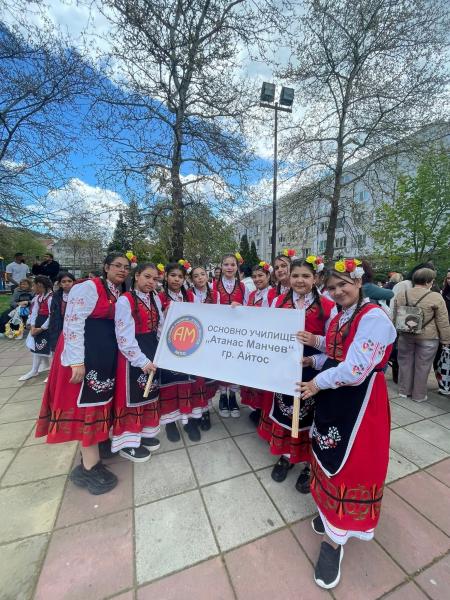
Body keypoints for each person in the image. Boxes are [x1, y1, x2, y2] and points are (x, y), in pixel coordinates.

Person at [298, 258, 396, 590]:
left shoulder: (374, 319)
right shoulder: (341, 315)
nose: (338, 291)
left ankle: (334, 542)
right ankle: (330, 517)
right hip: (335, 395)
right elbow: (336, 352)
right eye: (332, 287)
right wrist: (313, 353)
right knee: (326, 453)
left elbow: (355, 369)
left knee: (351, 464)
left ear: (358, 281)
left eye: (343, 284)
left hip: (360, 401)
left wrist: (316, 382)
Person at [35, 252, 131, 495]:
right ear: (106, 267)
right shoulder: (88, 287)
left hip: (101, 357)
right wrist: (76, 362)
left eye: (126, 267)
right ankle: (89, 467)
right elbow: (73, 323)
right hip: (83, 357)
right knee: (85, 408)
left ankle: (99, 443)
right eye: (117, 265)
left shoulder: (117, 291)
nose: (122, 270)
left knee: (99, 403)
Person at [258, 258, 336, 494]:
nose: (300, 280)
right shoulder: (278, 302)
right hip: (284, 369)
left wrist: (313, 348)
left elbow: (334, 345)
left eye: (306, 276)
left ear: (316, 278)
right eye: (295, 276)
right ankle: (286, 456)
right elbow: (264, 330)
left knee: (309, 419)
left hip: (313, 370)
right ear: (288, 277)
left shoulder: (329, 306)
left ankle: (308, 464)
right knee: (286, 413)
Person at [112, 263, 162, 462]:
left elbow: (161, 326)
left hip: (152, 349)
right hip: (132, 355)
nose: (151, 282)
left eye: (155, 279)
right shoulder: (125, 300)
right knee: (132, 397)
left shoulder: (154, 298)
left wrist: (162, 351)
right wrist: (140, 360)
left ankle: (143, 433)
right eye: (147, 277)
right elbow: (123, 336)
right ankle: (128, 444)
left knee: (149, 393)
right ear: (137, 276)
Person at [158, 261, 202, 443]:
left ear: (184, 279)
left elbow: (201, 317)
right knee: (170, 385)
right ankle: (170, 423)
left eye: (180, 276)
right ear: (166, 276)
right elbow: (156, 324)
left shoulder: (191, 296)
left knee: (189, 384)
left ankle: (190, 421)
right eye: (173, 275)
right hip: (167, 348)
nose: (176, 279)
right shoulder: (159, 297)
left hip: (189, 347)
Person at [393, 267, 450, 402]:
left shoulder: (402, 294)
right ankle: (418, 395)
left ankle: (404, 391)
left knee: (405, 363)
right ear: (428, 281)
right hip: (428, 337)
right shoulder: (436, 297)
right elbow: (442, 321)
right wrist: (446, 340)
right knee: (423, 366)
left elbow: (396, 315)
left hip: (405, 334)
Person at [213, 253, 249, 418]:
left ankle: (233, 396)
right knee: (221, 363)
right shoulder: (213, 285)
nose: (229, 267)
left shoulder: (243, 287)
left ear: (237, 267)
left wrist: (240, 307)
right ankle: (222, 396)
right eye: (226, 264)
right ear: (221, 266)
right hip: (219, 332)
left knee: (235, 364)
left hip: (237, 333)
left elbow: (248, 309)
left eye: (232, 264)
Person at [241, 262, 277, 425]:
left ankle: (264, 410)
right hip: (253, 340)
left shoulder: (273, 294)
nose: (257, 279)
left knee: (265, 377)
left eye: (260, 275)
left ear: (268, 276)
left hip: (266, 341)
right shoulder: (252, 295)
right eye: (254, 276)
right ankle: (257, 408)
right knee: (254, 376)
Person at [190, 265, 220, 431]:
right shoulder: (188, 295)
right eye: (196, 275)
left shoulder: (215, 294)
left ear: (207, 277)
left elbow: (219, 315)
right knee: (195, 379)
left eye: (202, 274)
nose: (200, 277)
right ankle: (194, 411)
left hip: (210, 340)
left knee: (207, 378)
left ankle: (206, 410)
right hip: (193, 340)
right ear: (191, 279)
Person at [18, 276, 53, 380]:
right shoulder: (38, 297)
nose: (32, 288)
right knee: (36, 347)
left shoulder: (51, 298)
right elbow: (34, 312)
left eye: (34, 286)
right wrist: (33, 326)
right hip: (38, 324)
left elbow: (52, 315)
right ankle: (34, 370)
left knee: (51, 350)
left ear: (40, 285)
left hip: (48, 326)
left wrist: (42, 328)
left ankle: (52, 373)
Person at [48, 272, 76, 353]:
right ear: (60, 284)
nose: (67, 283)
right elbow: (52, 314)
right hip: (59, 327)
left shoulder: (79, 295)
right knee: (59, 351)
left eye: (69, 281)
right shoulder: (56, 296)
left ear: (74, 282)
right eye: (63, 281)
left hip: (74, 327)